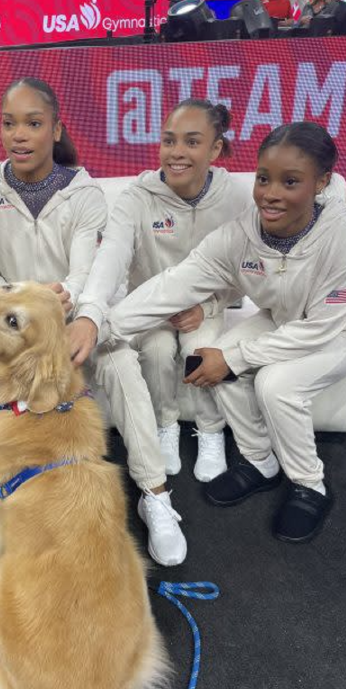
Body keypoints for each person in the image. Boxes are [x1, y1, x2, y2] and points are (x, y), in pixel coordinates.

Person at [98, 122, 346, 545]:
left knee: (277, 386)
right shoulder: (239, 236)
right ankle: (260, 461)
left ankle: (310, 485)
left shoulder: (345, 236)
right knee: (213, 356)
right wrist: (98, 327)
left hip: (345, 331)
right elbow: (173, 284)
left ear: (322, 182)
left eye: (290, 182)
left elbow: (321, 328)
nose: (270, 193)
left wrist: (238, 359)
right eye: (264, 178)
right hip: (286, 320)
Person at [68, 100, 249, 567]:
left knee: (198, 348)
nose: (177, 151)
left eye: (192, 141)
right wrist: (91, 312)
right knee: (153, 348)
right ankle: (165, 426)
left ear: (217, 148)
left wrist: (208, 305)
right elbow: (110, 262)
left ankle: (210, 432)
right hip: (149, 308)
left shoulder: (235, 198)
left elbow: (244, 269)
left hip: (200, 310)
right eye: (170, 139)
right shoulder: (136, 197)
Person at [0, 77, 107, 500]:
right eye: (9, 124)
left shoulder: (85, 194)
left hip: (66, 320)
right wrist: (14, 297)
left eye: (33, 123)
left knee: (121, 364)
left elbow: (85, 273)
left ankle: (153, 488)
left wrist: (57, 298)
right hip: (5, 326)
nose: (19, 136)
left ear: (57, 129)